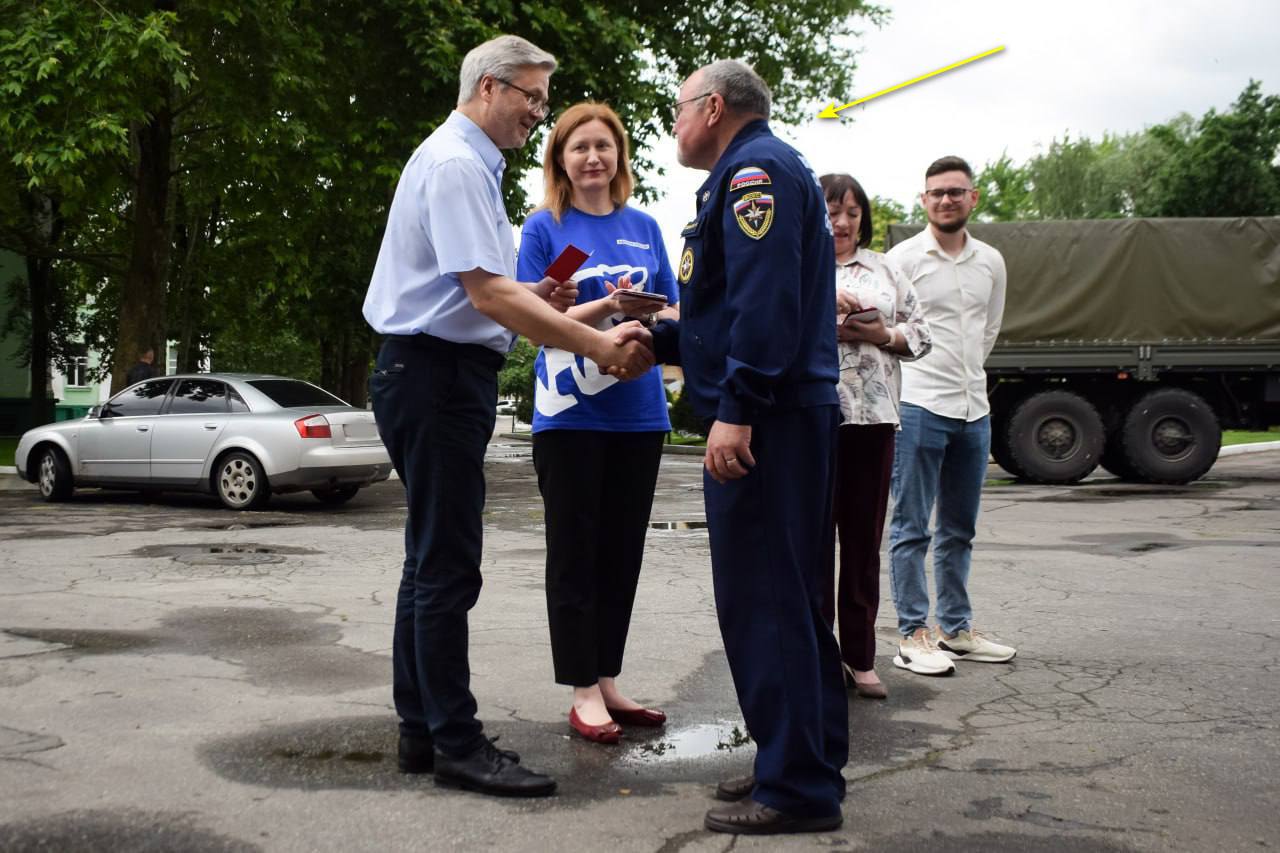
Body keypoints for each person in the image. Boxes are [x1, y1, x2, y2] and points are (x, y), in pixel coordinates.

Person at [361, 34, 653, 799]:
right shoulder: (458, 164)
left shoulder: (470, 165)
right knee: (446, 566)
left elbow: (496, 294)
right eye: (531, 97)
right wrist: (594, 341)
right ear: (489, 87)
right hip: (435, 377)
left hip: (433, 371)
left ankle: (422, 732)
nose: (538, 112)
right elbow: (490, 297)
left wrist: (556, 303)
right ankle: (457, 742)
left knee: (426, 562)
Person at [626, 59, 847, 835]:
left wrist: (739, 407)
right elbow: (727, 315)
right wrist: (658, 335)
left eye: (678, 108)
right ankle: (803, 756)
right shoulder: (763, 170)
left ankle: (796, 787)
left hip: (770, 417)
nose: (673, 123)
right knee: (786, 595)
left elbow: (765, 305)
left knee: (766, 599)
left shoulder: (753, 173)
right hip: (781, 410)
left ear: (713, 107)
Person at [516, 102, 680, 744]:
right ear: (560, 158)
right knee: (576, 552)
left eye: (603, 147)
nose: (592, 157)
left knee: (621, 554)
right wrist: (609, 302)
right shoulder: (545, 228)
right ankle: (582, 688)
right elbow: (530, 320)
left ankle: (608, 677)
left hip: (639, 416)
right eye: (578, 147)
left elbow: (672, 306)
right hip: (570, 417)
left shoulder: (645, 226)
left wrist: (652, 317)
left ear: (619, 157)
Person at [885, 155, 1017, 676]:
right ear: (923, 200)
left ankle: (956, 630)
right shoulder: (903, 259)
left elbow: (987, 330)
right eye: (936, 192)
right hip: (919, 404)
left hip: (973, 408)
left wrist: (965, 379)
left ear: (973, 198)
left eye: (956, 192)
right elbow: (892, 330)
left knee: (960, 529)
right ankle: (914, 634)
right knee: (911, 526)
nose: (946, 200)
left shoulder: (991, 261)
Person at [818, 173, 931, 699]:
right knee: (814, 545)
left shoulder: (887, 270)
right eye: (830, 211)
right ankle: (819, 659)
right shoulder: (796, 267)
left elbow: (923, 333)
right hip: (813, 422)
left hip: (873, 422)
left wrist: (882, 333)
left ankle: (860, 658)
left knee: (862, 545)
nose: (841, 223)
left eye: (852, 213)